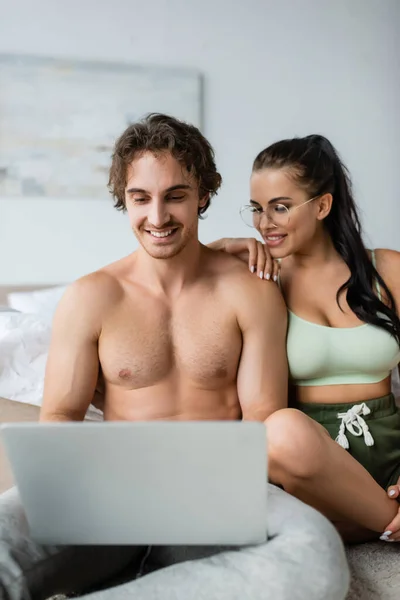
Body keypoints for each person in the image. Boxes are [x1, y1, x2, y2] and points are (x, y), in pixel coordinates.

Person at [0, 116, 349, 600]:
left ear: (204, 195)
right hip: (108, 489)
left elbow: (263, 418)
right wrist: (68, 496)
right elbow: (61, 415)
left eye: (176, 196)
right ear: (125, 199)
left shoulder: (250, 292)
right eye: (141, 198)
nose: (158, 217)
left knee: (316, 554)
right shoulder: (91, 296)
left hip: (220, 489)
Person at [210, 133, 400, 544]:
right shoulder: (260, 281)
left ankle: (366, 523)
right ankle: (389, 520)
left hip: (390, 450)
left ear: (323, 206)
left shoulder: (387, 268)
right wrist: (220, 249)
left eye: (280, 207)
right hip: (307, 462)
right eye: (257, 210)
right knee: (277, 431)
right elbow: (183, 285)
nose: (264, 224)